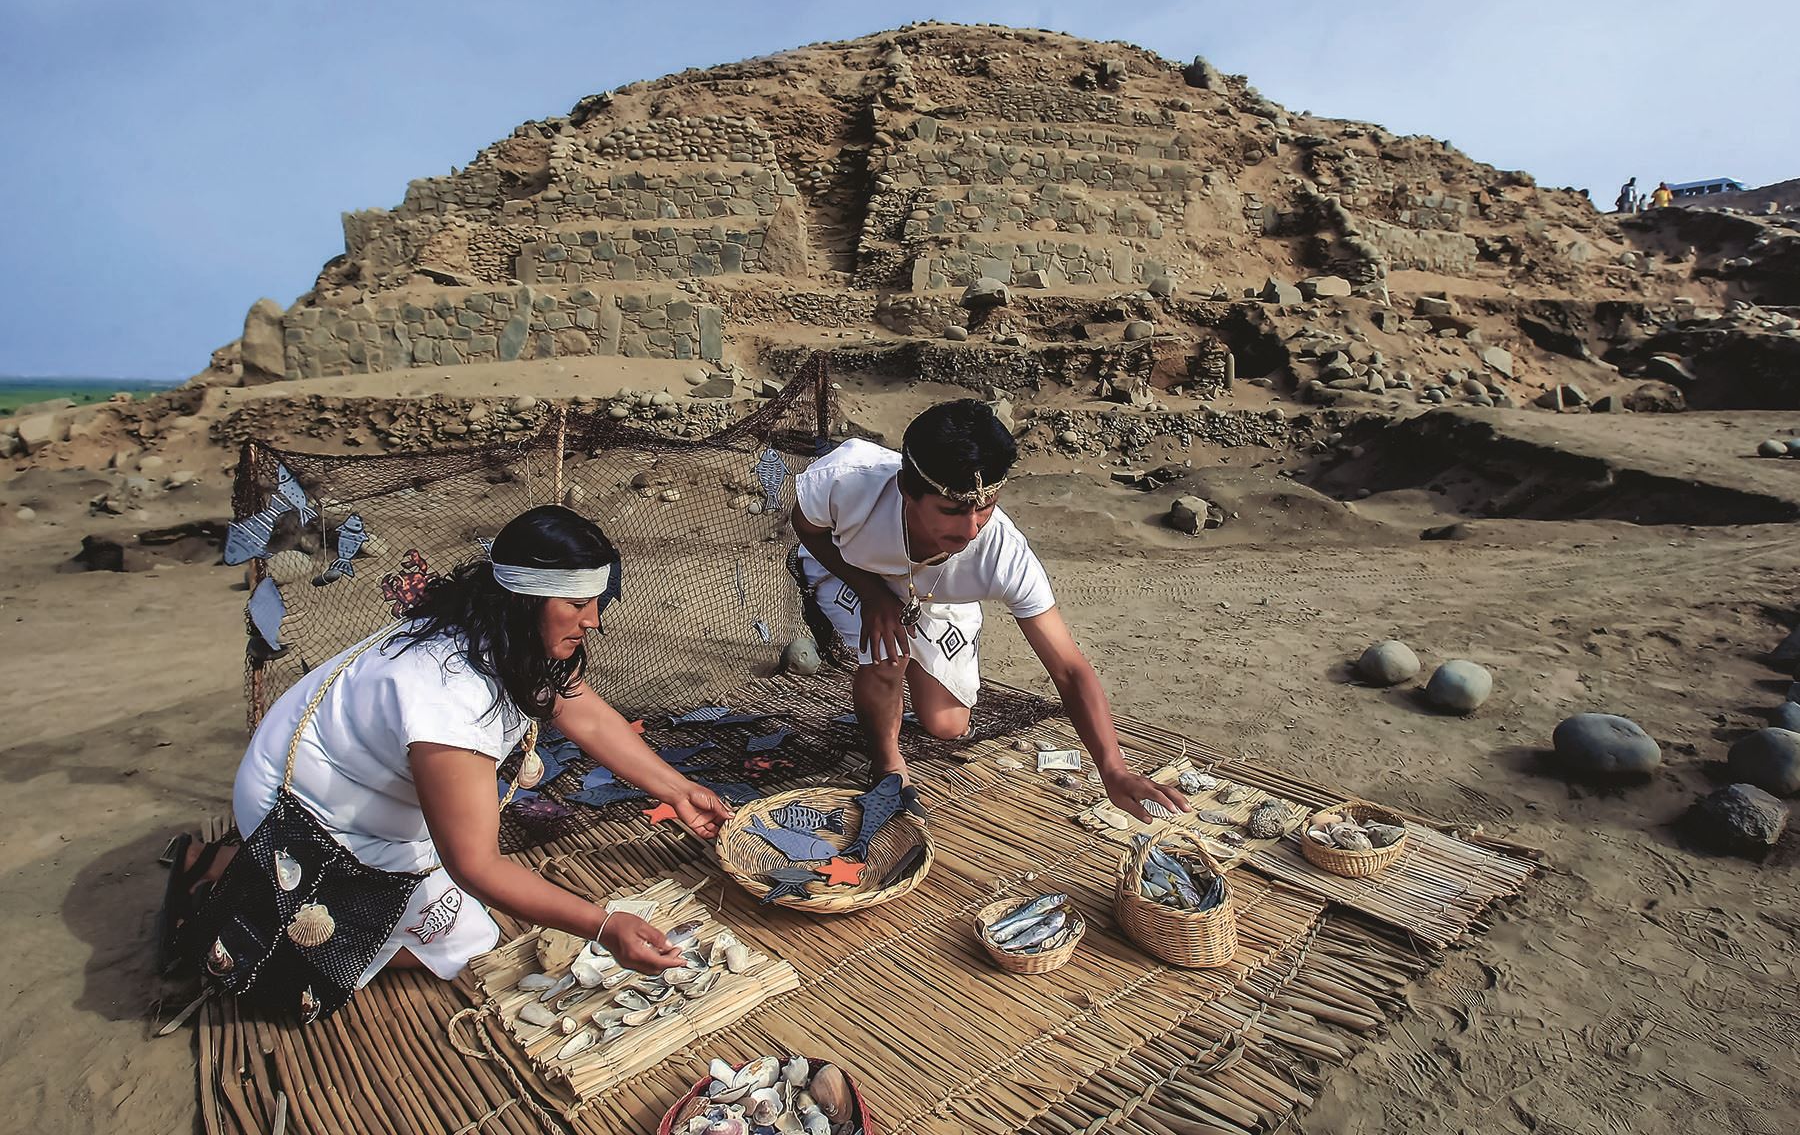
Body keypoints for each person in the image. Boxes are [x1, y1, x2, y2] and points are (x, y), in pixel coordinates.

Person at [161, 505, 734, 987]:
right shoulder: (449, 699)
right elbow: (476, 865)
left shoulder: (497, 628)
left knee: (455, 912)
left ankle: (230, 865)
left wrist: (679, 789)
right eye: (577, 604)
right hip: (302, 810)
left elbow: (581, 711)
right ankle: (240, 915)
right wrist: (604, 927)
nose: (594, 622)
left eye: (595, 602)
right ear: (527, 599)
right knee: (465, 941)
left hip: (346, 781)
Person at [792, 400, 1189, 822]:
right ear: (907, 490)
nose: (970, 530)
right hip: (852, 567)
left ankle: (920, 645)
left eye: (985, 507)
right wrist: (871, 594)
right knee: (889, 655)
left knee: (946, 724)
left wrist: (1113, 770)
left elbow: (1069, 669)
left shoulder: (1001, 552)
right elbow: (807, 528)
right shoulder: (846, 480)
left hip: (937, 595)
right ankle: (888, 764)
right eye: (951, 510)